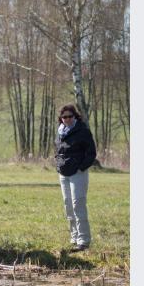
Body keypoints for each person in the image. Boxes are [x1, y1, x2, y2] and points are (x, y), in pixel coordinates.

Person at [55, 104, 97, 252]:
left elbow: (91, 152)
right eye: (64, 117)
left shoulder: (83, 131)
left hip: (78, 173)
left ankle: (83, 240)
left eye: (69, 116)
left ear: (75, 117)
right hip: (63, 173)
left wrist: (81, 167)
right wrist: (58, 165)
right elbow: (59, 151)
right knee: (68, 205)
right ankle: (74, 237)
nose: (66, 119)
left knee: (78, 204)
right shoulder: (60, 131)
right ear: (61, 118)